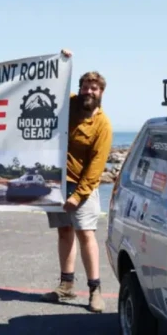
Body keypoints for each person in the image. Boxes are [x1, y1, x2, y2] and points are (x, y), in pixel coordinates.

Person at [42, 49, 113, 313]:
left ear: (101, 92)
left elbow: (95, 168)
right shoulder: (69, 105)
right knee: (64, 232)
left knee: (86, 235)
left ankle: (95, 290)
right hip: (56, 183)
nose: (88, 91)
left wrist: (78, 195)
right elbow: (51, 86)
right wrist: (61, 61)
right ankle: (66, 285)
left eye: (93, 88)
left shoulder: (103, 126)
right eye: (85, 86)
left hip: (81, 189)